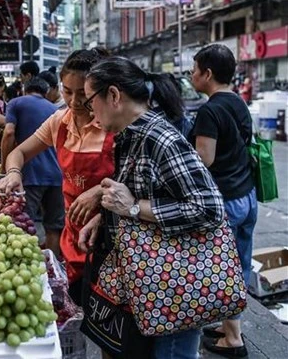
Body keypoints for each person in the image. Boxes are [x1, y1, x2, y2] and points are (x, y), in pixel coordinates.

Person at [79, 57, 225, 359]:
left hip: (174, 286)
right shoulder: (131, 136)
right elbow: (139, 189)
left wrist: (134, 208)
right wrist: (106, 217)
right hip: (150, 286)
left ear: (114, 96)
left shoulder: (160, 138)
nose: (88, 110)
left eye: (90, 100)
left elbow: (209, 208)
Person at [0, 48, 113, 304]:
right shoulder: (60, 121)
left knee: (108, 322)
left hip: (111, 238)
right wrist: (13, 172)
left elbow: (136, 182)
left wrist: (100, 192)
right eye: (67, 91)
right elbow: (18, 151)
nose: (73, 101)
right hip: (73, 235)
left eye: (83, 94)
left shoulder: (114, 125)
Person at [189, 44, 257, 359]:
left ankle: (233, 338)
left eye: (194, 70)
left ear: (208, 74)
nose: (191, 75)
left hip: (226, 200)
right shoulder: (239, 103)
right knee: (240, 264)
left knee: (222, 269)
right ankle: (229, 324)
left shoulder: (210, 110)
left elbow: (205, 158)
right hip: (247, 197)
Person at [0, 76, 64, 256]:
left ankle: (24, 263)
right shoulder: (56, 109)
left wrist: (6, 166)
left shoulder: (15, 102)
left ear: (24, 89)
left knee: (22, 223)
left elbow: (9, 132)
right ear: (46, 92)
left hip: (29, 173)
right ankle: (53, 268)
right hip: (56, 174)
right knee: (54, 227)